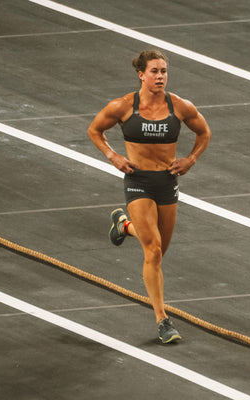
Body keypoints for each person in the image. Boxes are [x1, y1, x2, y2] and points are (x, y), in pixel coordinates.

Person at [88, 50, 211, 343]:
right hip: (138, 180)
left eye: (164, 71)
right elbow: (95, 130)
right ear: (141, 75)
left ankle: (124, 226)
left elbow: (204, 133)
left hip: (167, 182)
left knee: (158, 252)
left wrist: (190, 160)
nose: (160, 77)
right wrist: (113, 156)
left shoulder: (179, 106)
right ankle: (162, 320)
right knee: (153, 250)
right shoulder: (122, 106)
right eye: (154, 71)